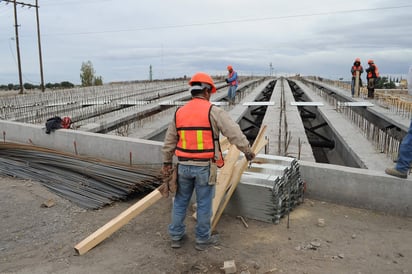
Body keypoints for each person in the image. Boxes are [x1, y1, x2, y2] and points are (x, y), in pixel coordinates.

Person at [162, 72, 255, 251]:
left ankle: (176, 237)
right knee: (204, 203)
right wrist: (248, 151)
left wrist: (166, 163)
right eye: (210, 91)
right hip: (204, 167)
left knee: (180, 201)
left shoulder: (179, 112)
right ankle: (202, 240)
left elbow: (169, 142)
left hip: (183, 167)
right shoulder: (214, 112)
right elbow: (233, 132)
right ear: (206, 92)